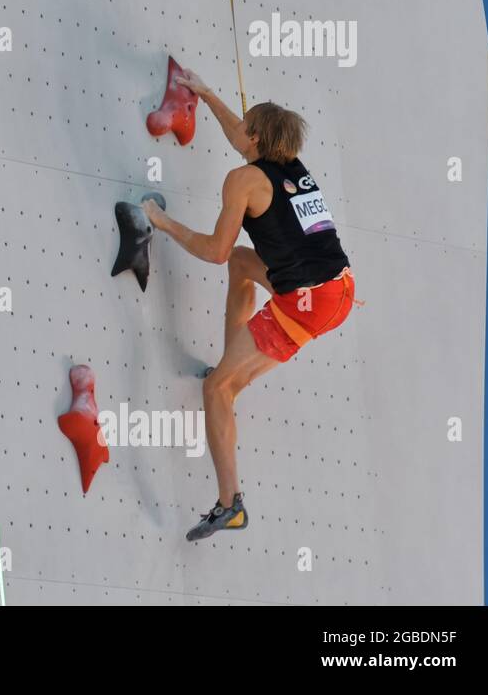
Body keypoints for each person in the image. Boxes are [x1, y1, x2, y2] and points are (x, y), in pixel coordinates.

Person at [142, 70, 357, 541]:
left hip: (306, 302)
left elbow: (213, 251)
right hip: (339, 288)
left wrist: (162, 222)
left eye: (244, 127)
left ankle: (229, 503)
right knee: (243, 263)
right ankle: (231, 361)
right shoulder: (292, 164)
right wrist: (206, 90)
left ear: (255, 138)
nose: (237, 130)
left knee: (217, 390)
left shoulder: (242, 180)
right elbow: (244, 132)